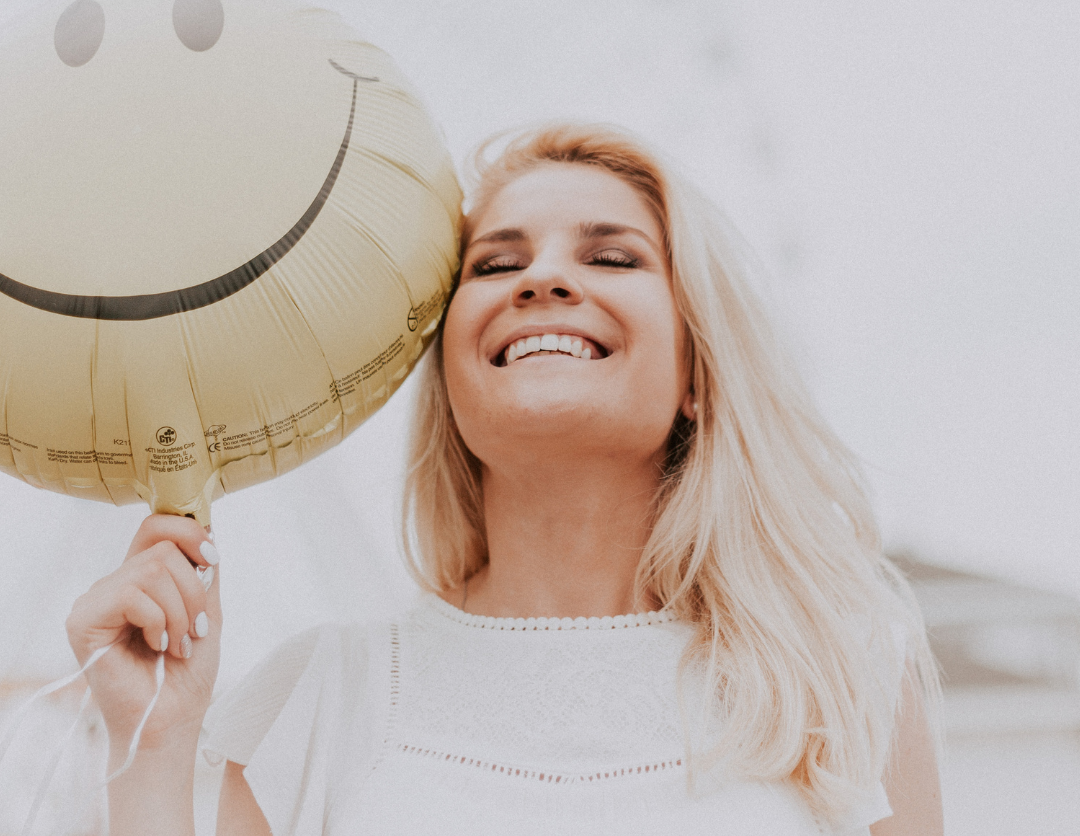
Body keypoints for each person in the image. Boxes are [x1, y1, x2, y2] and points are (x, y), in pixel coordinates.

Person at [67, 124, 943, 835]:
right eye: (495, 265)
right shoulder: (324, 702)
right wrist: (149, 744)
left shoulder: (839, 677)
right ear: (449, 377)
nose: (544, 278)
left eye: (612, 258)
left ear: (698, 380)